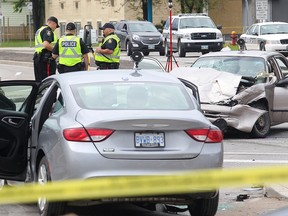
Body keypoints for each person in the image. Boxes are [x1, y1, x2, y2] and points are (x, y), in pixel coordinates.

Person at [33, 16, 59, 81]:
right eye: (56, 26)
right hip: (46, 59)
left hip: (38, 57)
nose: (55, 28)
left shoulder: (40, 29)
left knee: (40, 81)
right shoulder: (48, 31)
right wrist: (56, 51)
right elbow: (46, 45)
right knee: (48, 81)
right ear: (53, 24)